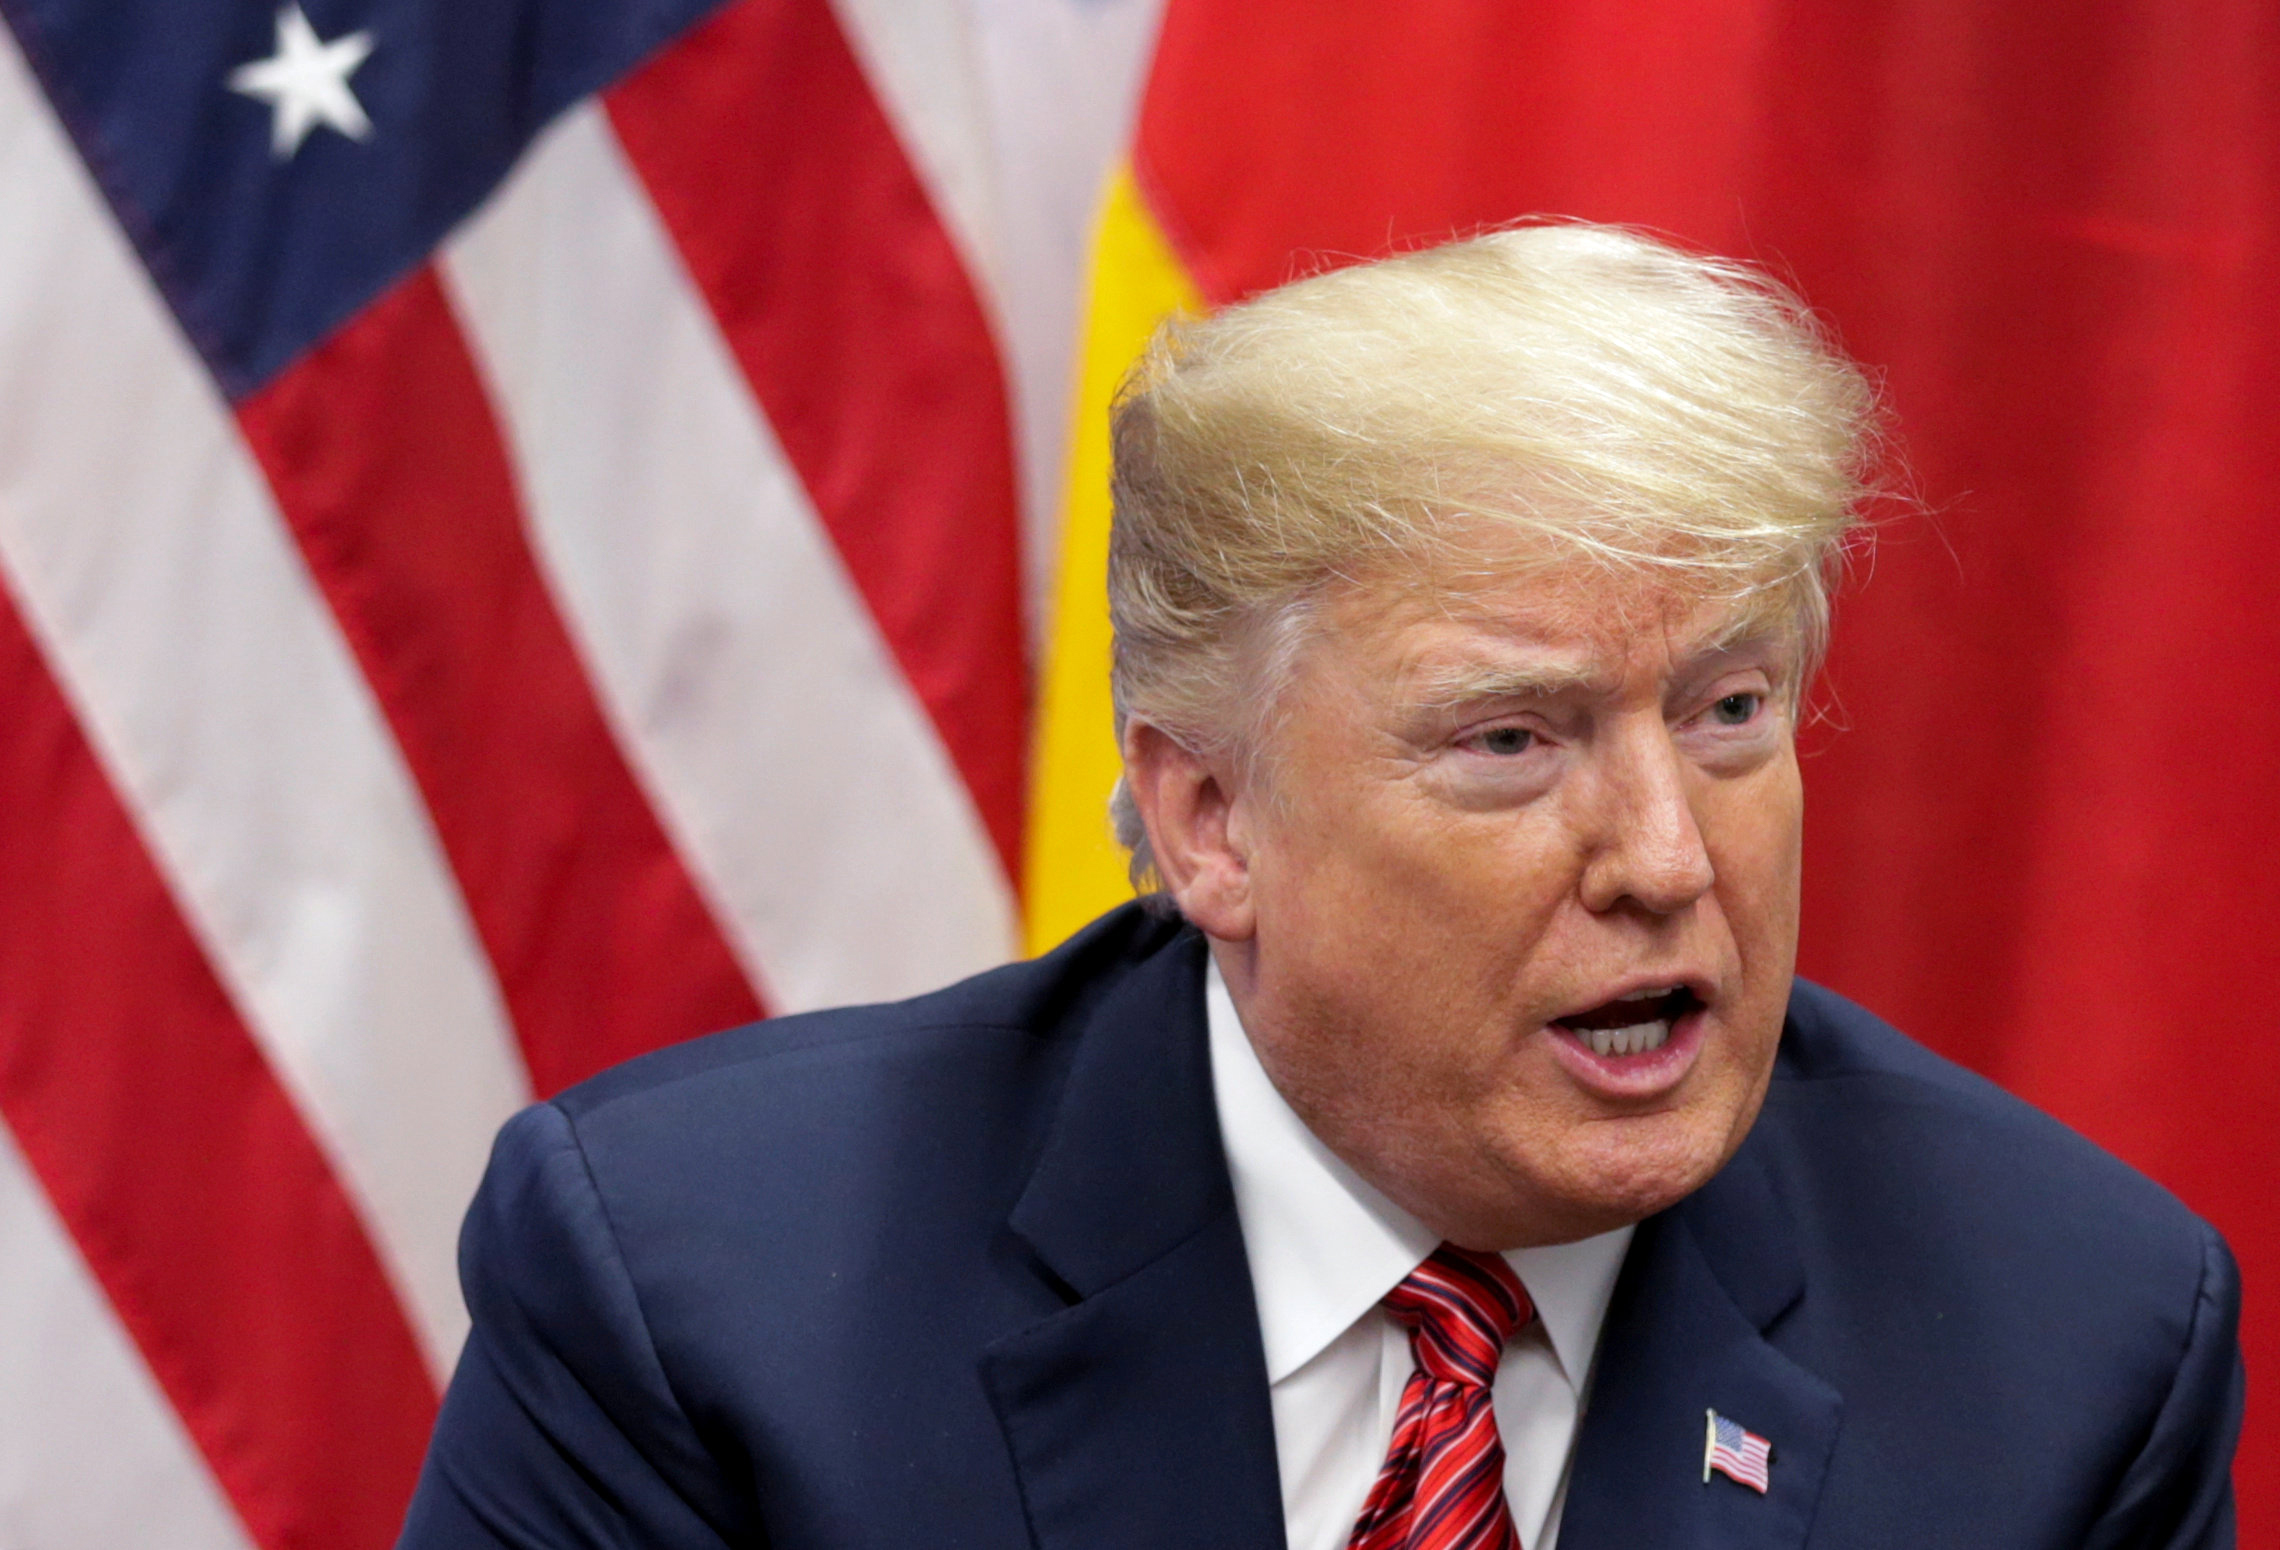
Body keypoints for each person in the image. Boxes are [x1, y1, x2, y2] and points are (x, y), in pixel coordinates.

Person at [398, 224, 2243, 1549]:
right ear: (1212, 822)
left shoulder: (2069, 1342)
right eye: (1514, 739)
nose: (1671, 857)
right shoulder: (706, 1295)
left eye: (1730, 711)